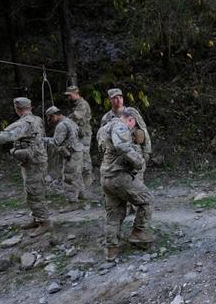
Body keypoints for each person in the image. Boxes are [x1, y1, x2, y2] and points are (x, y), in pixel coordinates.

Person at [0, 97, 51, 237]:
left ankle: (44, 222)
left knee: (35, 191)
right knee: (30, 191)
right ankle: (36, 218)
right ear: (30, 107)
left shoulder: (23, 123)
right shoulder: (37, 119)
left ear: (17, 109)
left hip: (34, 162)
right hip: (33, 160)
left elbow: (6, 136)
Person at [98, 107, 155, 261]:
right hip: (119, 176)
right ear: (131, 120)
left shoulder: (104, 128)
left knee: (114, 213)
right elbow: (122, 146)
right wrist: (138, 161)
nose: (132, 129)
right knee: (147, 199)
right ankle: (138, 232)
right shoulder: (121, 126)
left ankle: (112, 249)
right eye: (132, 125)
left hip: (106, 177)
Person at [100, 88, 151, 178]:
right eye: (115, 98)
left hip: (134, 152)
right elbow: (102, 138)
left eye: (120, 97)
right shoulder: (107, 117)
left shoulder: (131, 112)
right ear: (110, 100)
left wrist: (147, 150)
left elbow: (143, 130)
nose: (118, 100)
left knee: (136, 181)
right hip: (116, 157)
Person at [43, 106, 84, 212]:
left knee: (69, 177)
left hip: (71, 153)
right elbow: (81, 134)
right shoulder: (70, 121)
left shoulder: (61, 125)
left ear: (54, 116)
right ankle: (80, 195)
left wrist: (43, 140)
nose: (50, 121)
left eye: (50, 118)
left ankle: (72, 202)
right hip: (77, 151)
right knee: (77, 174)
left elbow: (56, 141)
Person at [63, 86, 94, 186]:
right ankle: (81, 183)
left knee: (85, 157)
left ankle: (87, 182)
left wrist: (62, 120)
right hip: (79, 134)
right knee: (79, 157)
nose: (68, 98)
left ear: (76, 94)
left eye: (70, 95)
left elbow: (75, 117)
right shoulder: (77, 104)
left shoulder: (82, 104)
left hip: (84, 135)